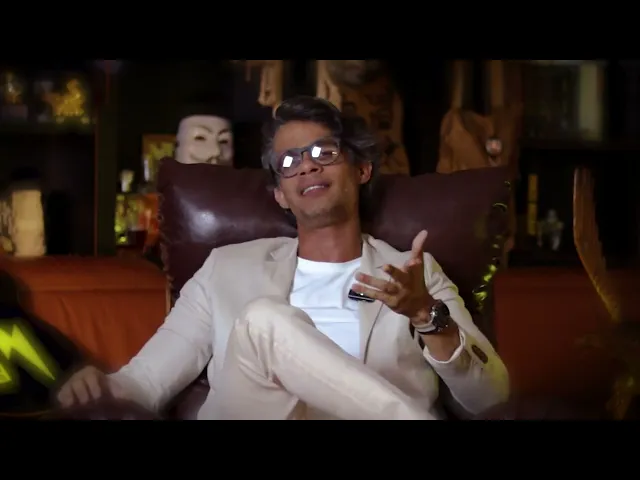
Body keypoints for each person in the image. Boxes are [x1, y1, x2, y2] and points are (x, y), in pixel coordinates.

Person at [57, 96, 509, 420]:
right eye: (289, 162)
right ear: (279, 194)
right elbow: (145, 383)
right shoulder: (224, 270)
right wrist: (99, 388)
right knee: (264, 323)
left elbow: (492, 397)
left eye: (323, 152)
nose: (307, 166)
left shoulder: (415, 273)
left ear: (362, 169)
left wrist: (429, 318)